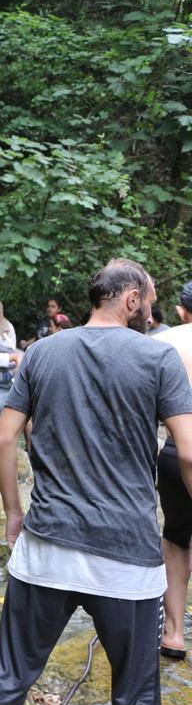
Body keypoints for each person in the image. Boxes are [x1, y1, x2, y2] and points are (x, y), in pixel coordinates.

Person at [0, 259, 192, 705]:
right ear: (131, 299)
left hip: (46, 547)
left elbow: (3, 437)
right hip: (128, 558)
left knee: (9, 669)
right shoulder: (158, 360)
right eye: (151, 300)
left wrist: (13, 511)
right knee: (137, 691)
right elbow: (187, 452)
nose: (153, 311)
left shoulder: (42, 353)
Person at [154, 282, 192, 659]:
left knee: (178, 537)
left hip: (176, 451)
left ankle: (174, 633)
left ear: (182, 311)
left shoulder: (166, 341)